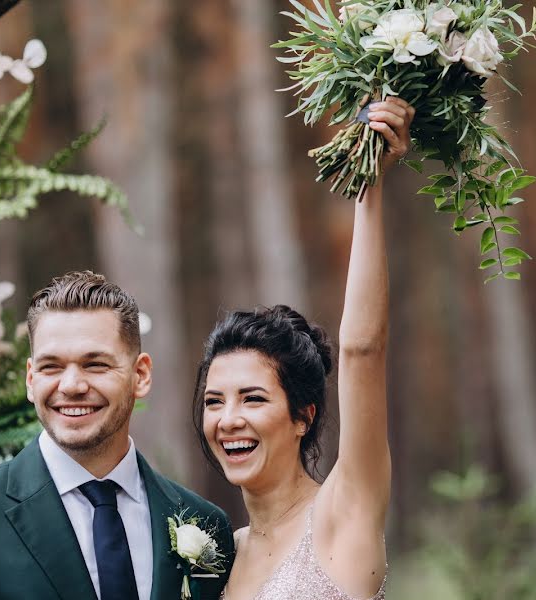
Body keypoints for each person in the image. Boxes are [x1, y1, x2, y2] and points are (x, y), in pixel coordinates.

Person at [0, 272, 234, 599]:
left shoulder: (205, 525)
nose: (71, 386)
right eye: (51, 367)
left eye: (95, 364)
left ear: (140, 375)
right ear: (30, 379)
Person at [193, 97, 414, 599]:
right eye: (214, 401)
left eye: (252, 398)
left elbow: (362, 350)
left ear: (302, 416)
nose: (227, 419)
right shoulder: (215, 558)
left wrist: (369, 182)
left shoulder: (343, 512)